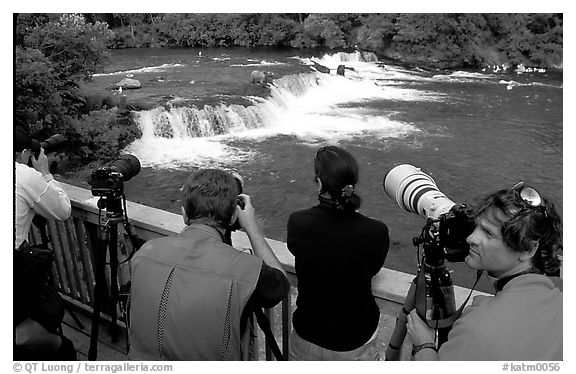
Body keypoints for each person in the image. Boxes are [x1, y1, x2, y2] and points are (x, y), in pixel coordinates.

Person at [128, 168, 290, 360]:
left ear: (184, 214)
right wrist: (252, 227)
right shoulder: (245, 270)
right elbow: (281, 285)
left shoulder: (144, 253)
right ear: (232, 218)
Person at [407, 182, 562, 360]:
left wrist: (424, 346)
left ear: (528, 250)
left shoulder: (476, 330)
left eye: (488, 233)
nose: (471, 238)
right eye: (476, 226)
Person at [287, 145, 390, 360]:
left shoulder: (298, 222)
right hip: (354, 340)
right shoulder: (376, 231)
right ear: (352, 184)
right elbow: (373, 268)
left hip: (307, 337)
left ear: (320, 183)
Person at [14, 124, 75, 360]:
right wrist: (45, 173)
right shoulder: (21, 174)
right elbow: (63, 210)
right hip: (15, 270)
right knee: (45, 312)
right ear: (25, 155)